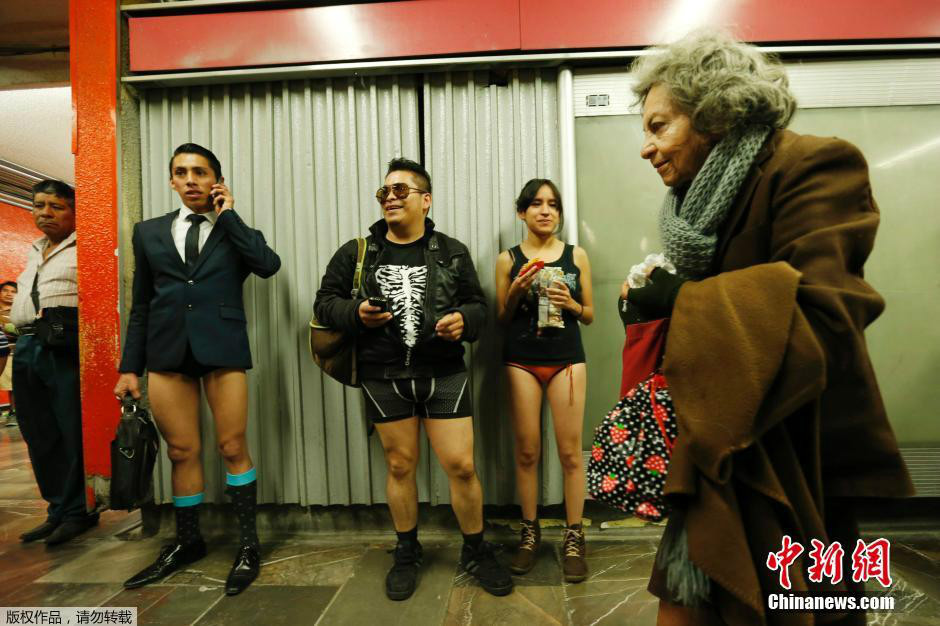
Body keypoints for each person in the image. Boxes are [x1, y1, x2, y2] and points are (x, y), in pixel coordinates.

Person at [620, 31, 913, 625]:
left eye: (659, 126)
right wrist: (653, 310)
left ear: (714, 113)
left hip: (793, 461)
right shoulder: (694, 210)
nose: (646, 148)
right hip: (715, 458)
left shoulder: (814, 165)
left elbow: (825, 316)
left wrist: (683, 300)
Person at [314, 157, 513, 600]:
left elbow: (478, 306)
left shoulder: (452, 251)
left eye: (401, 190)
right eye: (384, 191)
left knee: (462, 466)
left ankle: (475, 549)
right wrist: (356, 312)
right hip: (383, 374)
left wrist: (464, 320)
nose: (390, 197)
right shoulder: (358, 253)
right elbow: (324, 302)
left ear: (426, 200)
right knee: (400, 465)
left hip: (443, 371)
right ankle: (407, 551)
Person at [114, 143, 281, 596]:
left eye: (201, 172)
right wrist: (129, 367)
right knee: (181, 451)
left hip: (222, 348)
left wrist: (229, 216)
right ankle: (188, 542)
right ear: (171, 180)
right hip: (166, 351)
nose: (191, 179)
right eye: (182, 172)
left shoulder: (234, 230)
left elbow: (268, 265)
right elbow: (142, 303)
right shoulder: (148, 232)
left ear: (217, 181)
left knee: (232, 445)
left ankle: (248, 546)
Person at [494, 179, 594, 582]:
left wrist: (572, 304)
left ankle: (574, 535)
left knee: (570, 454)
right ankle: (529, 532)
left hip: (567, 361)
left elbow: (590, 315)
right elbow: (501, 319)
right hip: (521, 361)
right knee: (527, 452)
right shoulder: (508, 259)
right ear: (522, 212)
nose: (545, 211)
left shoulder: (576, 255)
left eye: (553, 204)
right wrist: (516, 291)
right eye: (536, 204)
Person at [10, 180, 100, 545]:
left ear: (74, 212)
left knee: (68, 428)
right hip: (26, 344)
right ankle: (57, 508)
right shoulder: (34, 250)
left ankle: (78, 511)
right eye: (39, 205)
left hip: (62, 346)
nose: (45, 213)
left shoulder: (85, 247)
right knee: (37, 432)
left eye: (56, 206)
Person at [0, 281, 17, 425]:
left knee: (13, 384)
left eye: (13, 292)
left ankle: (14, 412)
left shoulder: (18, 312)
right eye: (5, 290)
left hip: (12, 352)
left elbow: (18, 332)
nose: (9, 294)